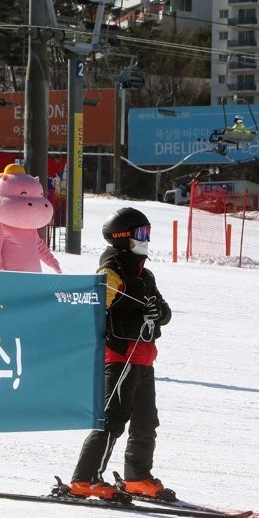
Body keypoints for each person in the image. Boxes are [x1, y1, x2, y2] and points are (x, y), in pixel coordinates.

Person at [67, 207, 172, 501]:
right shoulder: (111, 272)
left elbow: (165, 313)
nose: (146, 239)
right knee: (112, 420)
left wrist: (157, 311)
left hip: (143, 360)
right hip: (120, 358)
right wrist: (133, 316)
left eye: (148, 233)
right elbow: (97, 309)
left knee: (145, 421)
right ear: (123, 238)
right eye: (141, 234)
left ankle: (137, 477)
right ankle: (84, 479)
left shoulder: (145, 274)